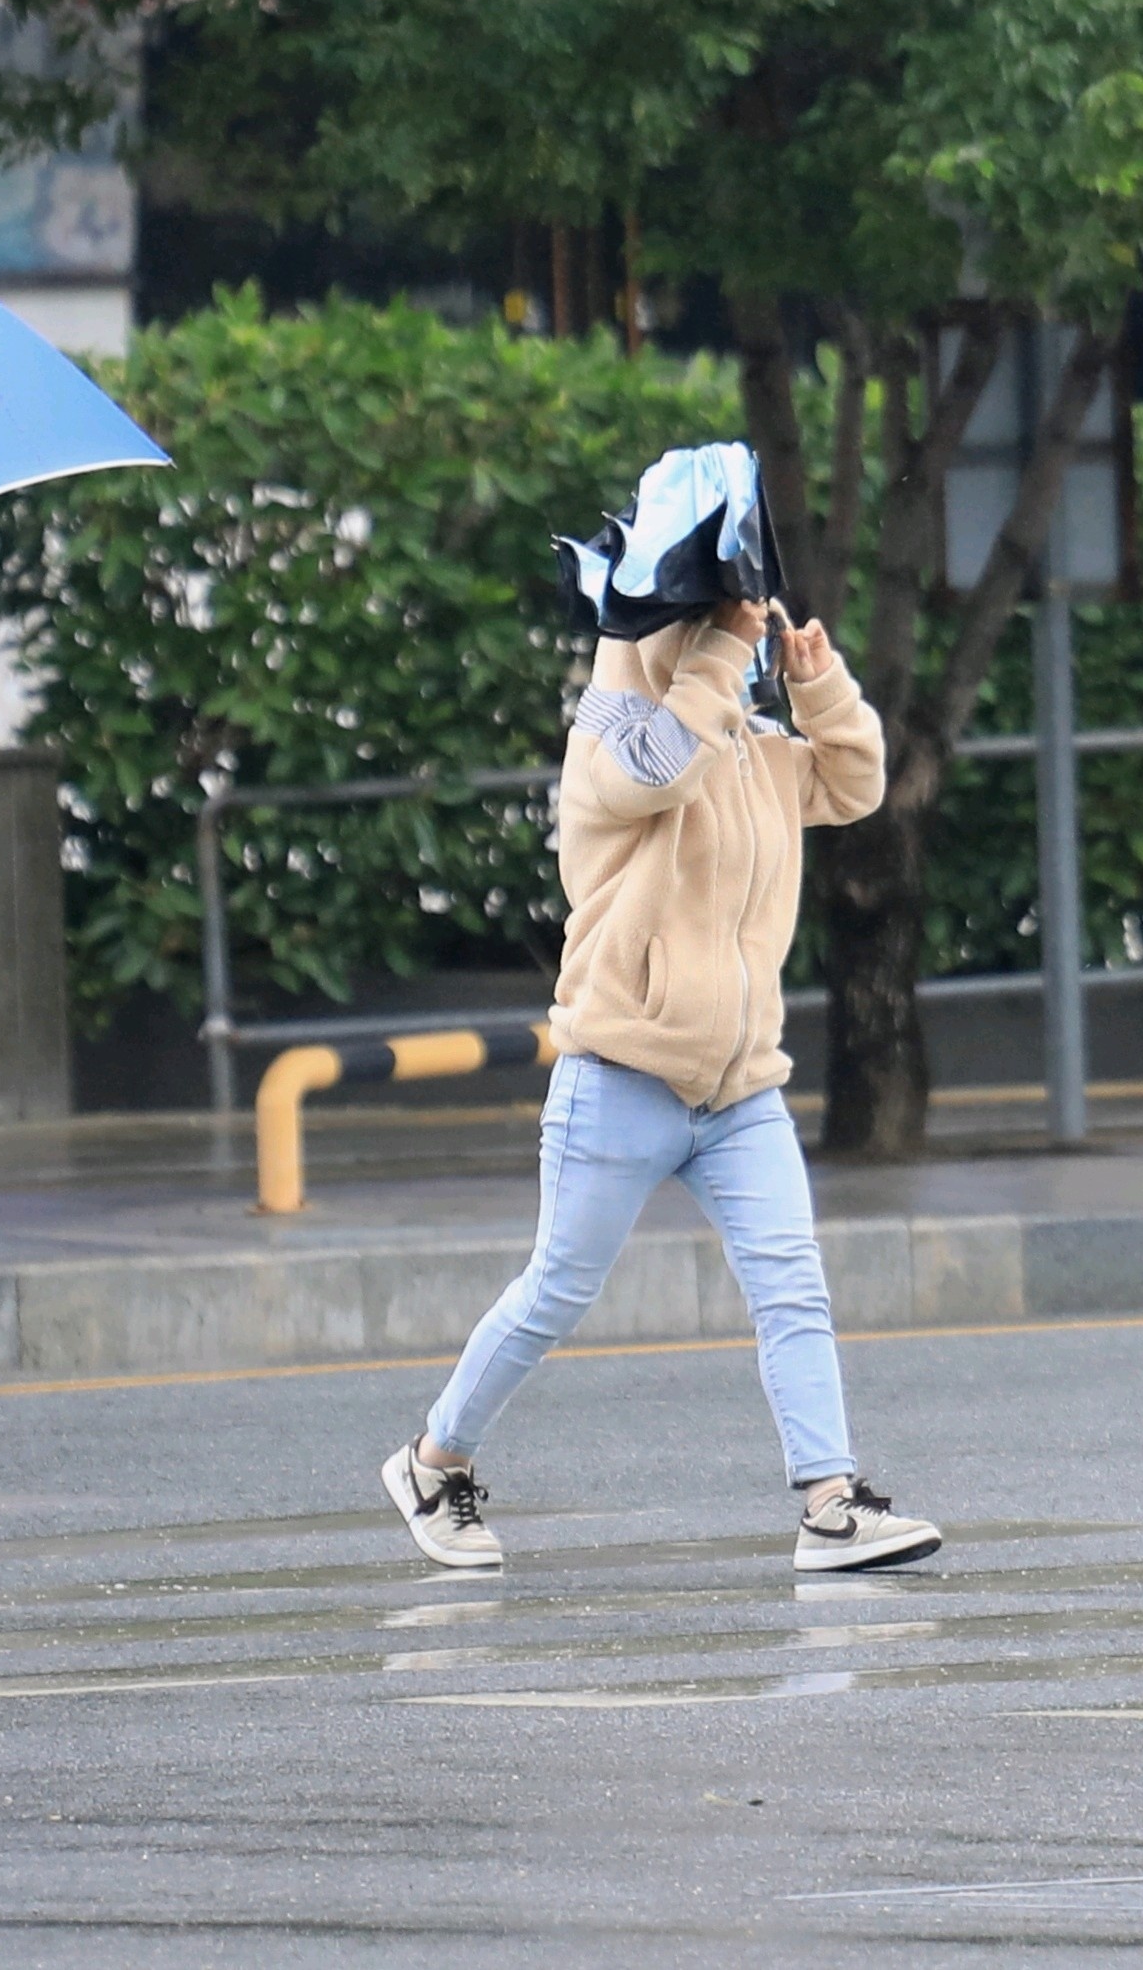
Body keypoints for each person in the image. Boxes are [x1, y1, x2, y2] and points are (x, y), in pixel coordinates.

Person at [382, 587, 940, 1573]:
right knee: (555, 1291)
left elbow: (852, 786)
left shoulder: (751, 745)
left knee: (791, 1289)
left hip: (738, 1089)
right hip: (619, 1075)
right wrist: (720, 656)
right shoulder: (610, 737)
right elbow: (652, 777)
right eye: (713, 618)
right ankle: (433, 1464)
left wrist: (817, 684)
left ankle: (829, 1502)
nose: (735, 632)